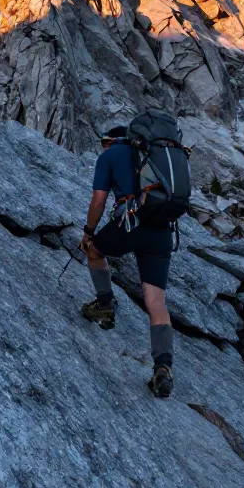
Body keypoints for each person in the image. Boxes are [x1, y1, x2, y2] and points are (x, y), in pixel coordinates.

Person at [79, 126, 176, 398]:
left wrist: (88, 233)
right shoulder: (154, 156)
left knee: (95, 251)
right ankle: (163, 367)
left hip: (130, 224)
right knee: (156, 301)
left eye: (103, 143)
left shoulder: (110, 155)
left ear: (110, 140)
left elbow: (99, 200)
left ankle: (105, 306)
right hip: (161, 231)